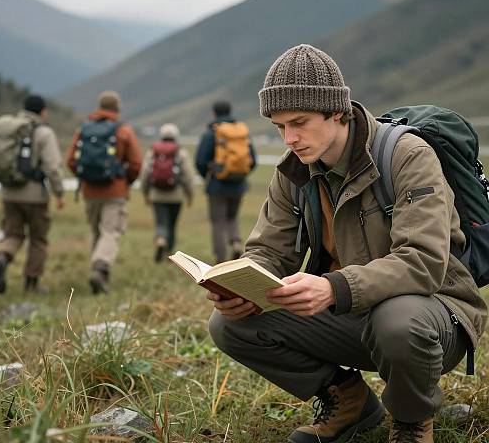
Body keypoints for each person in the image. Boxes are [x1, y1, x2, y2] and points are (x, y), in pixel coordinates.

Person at [207, 45, 487, 443]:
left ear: (336, 111)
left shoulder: (406, 156)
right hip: (346, 311)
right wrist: (240, 287)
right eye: (279, 126)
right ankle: (350, 401)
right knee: (230, 324)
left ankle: (411, 423)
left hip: (432, 313)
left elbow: (422, 262)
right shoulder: (294, 170)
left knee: (398, 319)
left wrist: (334, 287)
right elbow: (270, 251)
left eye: (299, 122)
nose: (289, 138)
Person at [66, 91, 142, 294]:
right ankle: (100, 270)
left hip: (90, 191)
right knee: (110, 232)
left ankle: (97, 274)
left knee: (96, 232)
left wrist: (84, 178)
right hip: (115, 190)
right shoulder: (123, 130)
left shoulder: (83, 128)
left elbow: (71, 160)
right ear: (117, 108)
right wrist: (126, 181)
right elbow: (136, 163)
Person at [0, 95, 65, 294]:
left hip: (8, 193)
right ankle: (31, 284)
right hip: (35, 196)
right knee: (38, 239)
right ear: (42, 111)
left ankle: (2, 257)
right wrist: (59, 192)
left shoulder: (9, 129)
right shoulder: (44, 133)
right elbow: (53, 166)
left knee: (12, 234)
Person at [195, 101, 256, 263]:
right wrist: (240, 174)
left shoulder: (211, 133)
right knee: (232, 217)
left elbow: (200, 160)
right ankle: (236, 243)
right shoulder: (242, 133)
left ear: (214, 113)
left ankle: (220, 260)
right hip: (239, 184)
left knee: (218, 222)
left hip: (217, 185)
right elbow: (253, 160)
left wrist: (208, 176)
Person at [139, 123, 194, 261]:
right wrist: (189, 195)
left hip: (157, 195)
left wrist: (145, 194)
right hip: (177, 196)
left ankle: (160, 241)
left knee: (161, 222)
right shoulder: (181, 152)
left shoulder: (152, 152)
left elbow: (145, 174)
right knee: (172, 224)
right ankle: (169, 253)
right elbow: (188, 177)